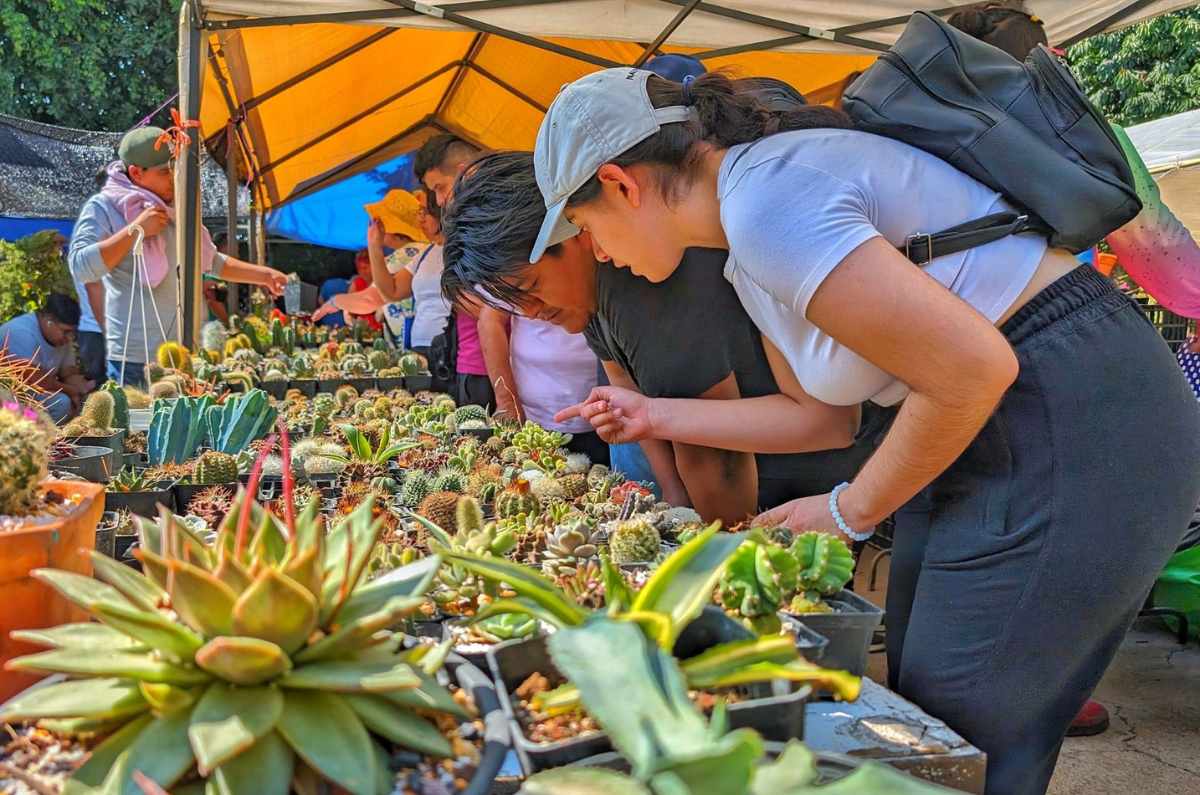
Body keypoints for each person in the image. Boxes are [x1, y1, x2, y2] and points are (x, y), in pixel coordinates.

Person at [533, 68, 1200, 795]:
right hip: (990, 423)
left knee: (962, 738)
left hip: (1075, 410)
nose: (596, 253)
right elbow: (822, 418)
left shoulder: (767, 203)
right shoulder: (746, 252)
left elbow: (973, 369)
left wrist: (848, 508)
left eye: (584, 226)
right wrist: (654, 415)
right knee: (921, 718)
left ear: (621, 183)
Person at [441, 151, 878, 523]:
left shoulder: (639, 283)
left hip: (797, 473)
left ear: (569, 232)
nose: (533, 313)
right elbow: (629, 392)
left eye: (532, 288)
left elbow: (714, 458)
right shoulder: (585, 300)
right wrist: (673, 500)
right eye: (515, 304)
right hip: (772, 455)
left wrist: (709, 550)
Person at [415, 136, 606, 462]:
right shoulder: (491, 254)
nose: (531, 311)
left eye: (439, 187)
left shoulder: (606, 302)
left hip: (595, 418)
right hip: (545, 413)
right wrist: (508, 405)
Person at [69, 126, 288, 388]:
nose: (173, 178)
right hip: (136, 361)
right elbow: (81, 267)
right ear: (137, 173)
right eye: (164, 172)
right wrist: (136, 230)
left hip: (187, 355)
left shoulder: (177, 207)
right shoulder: (104, 207)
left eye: (175, 170)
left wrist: (264, 276)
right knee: (143, 430)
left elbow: (210, 261)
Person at [0, 294, 90, 422]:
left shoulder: (61, 338)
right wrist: (71, 391)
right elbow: (34, 378)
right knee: (61, 403)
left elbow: (69, 372)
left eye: (72, 333)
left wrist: (83, 391)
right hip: (11, 392)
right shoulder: (21, 332)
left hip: (31, 391)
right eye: (66, 332)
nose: (70, 338)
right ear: (48, 321)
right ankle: (40, 439)